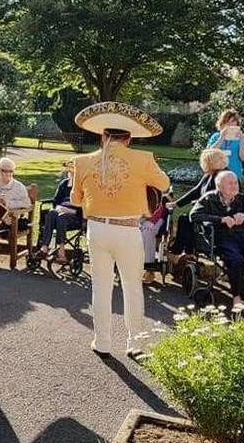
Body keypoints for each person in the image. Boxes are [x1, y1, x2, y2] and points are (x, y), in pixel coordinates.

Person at [70, 102, 170, 357]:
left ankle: (102, 342)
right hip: (127, 229)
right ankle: (135, 344)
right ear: (128, 138)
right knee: (132, 287)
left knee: (100, 287)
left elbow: (76, 201)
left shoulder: (82, 161)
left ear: (103, 136)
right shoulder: (143, 158)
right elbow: (164, 183)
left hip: (97, 228)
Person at [190, 171, 244, 325]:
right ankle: (236, 299)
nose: (234, 186)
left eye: (235, 183)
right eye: (229, 183)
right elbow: (194, 215)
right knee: (235, 260)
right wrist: (221, 219)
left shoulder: (242, 199)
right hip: (223, 238)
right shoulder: (209, 198)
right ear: (219, 186)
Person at [169, 148, 228, 256]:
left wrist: (199, 202)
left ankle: (178, 251)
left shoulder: (223, 177)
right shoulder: (209, 175)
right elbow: (196, 191)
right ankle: (187, 251)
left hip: (216, 214)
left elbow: (218, 198)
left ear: (208, 162)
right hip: (208, 211)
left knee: (185, 219)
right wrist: (176, 203)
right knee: (188, 218)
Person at [35, 160, 81, 264]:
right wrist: (57, 208)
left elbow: (85, 206)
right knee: (51, 213)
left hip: (74, 215)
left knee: (61, 216)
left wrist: (69, 210)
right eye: (70, 171)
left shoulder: (82, 186)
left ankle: (61, 251)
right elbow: (56, 201)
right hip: (60, 211)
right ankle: (45, 247)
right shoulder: (64, 183)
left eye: (73, 171)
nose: (71, 173)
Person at [207, 109, 244, 181]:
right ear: (222, 124)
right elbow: (209, 156)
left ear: (237, 123)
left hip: (235, 175)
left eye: (232, 121)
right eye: (226, 122)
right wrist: (221, 138)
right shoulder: (216, 136)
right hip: (216, 175)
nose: (230, 124)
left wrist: (241, 141)